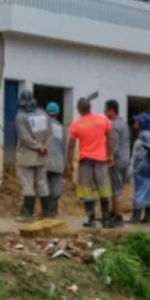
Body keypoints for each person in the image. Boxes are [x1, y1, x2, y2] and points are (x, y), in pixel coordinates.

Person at [68, 97, 114, 228]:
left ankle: (91, 219)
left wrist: (69, 163)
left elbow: (71, 146)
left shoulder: (76, 124)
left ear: (79, 109)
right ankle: (105, 219)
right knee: (104, 189)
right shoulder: (103, 119)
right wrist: (110, 155)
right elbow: (110, 139)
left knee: (87, 190)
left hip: (85, 161)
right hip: (101, 160)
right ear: (89, 107)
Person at [13, 91, 52, 219]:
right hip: (42, 156)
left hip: (26, 156)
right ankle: (46, 213)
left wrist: (37, 146)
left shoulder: (21, 116)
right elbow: (50, 134)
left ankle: (28, 214)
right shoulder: (44, 115)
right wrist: (44, 146)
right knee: (42, 183)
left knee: (27, 184)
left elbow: (24, 137)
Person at [105, 99, 130, 228]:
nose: (105, 113)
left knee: (116, 190)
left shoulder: (114, 125)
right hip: (124, 160)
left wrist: (108, 158)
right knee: (117, 188)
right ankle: (113, 213)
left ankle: (118, 217)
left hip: (116, 160)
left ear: (111, 110)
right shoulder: (123, 123)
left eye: (106, 110)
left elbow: (113, 145)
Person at [131, 111, 150, 224]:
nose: (134, 122)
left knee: (139, 192)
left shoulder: (144, 135)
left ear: (141, 123)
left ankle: (136, 217)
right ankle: (147, 217)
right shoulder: (149, 134)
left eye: (136, 121)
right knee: (147, 193)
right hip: (147, 168)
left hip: (143, 168)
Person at [42, 101, 66, 218]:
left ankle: (45, 212)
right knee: (55, 188)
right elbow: (64, 147)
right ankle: (53, 211)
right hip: (58, 162)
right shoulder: (62, 128)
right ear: (57, 114)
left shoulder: (42, 126)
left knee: (44, 187)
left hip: (44, 161)